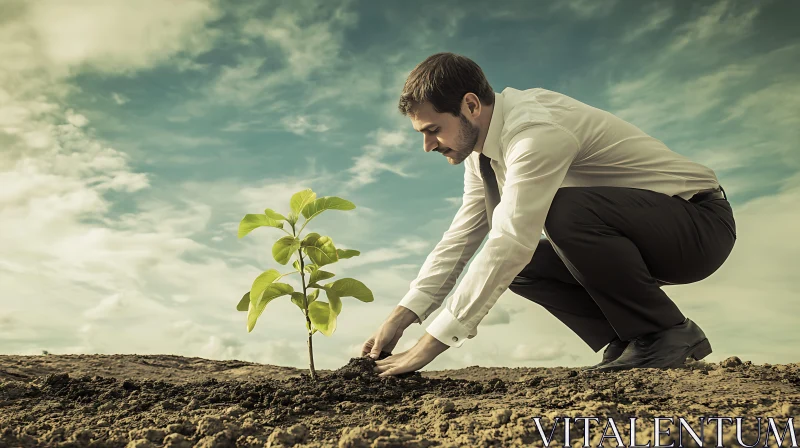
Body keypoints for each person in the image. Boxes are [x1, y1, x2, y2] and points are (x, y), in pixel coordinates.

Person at [362, 52, 737, 377]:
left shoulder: (534, 132)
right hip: (642, 235)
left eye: (433, 130)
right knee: (525, 266)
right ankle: (631, 338)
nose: (427, 146)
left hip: (698, 226)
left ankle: (665, 331)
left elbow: (510, 240)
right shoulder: (483, 159)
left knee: (557, 213)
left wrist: (431, 344)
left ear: (471, 105)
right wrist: (403, 315)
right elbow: (461, 239)